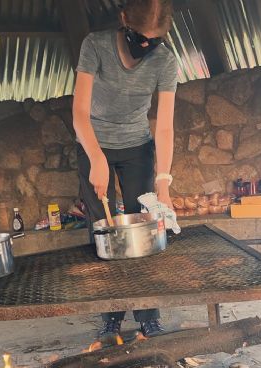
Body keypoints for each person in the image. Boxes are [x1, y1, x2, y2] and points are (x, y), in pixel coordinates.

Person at [73, 0, 177, 341]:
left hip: (137, 148)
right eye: (139, 37)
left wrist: (163, 183)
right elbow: (80, 114)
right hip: (94, 143)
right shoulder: (95, 45)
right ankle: (112, 315)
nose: (145, 45)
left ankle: (148, 315)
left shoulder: (165, 61)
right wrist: (96, 158)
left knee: (143, 229)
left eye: (154, 40)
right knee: (102, 229)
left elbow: (164, 126)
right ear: (123, 20)